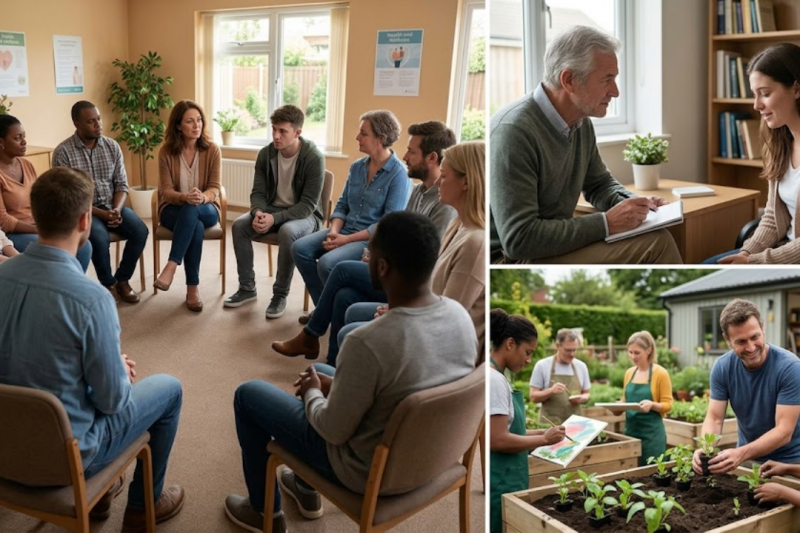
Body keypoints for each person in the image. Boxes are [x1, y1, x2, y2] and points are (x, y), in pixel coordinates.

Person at [223, 211, 477, 533]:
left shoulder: (367, 342)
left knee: (248, 396)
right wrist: (327, 383)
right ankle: (304, 487)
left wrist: (314, 391)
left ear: (382, 266)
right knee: (321, 369)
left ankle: (263, 513)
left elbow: (332, 429)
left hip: (365, 471)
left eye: (370, 252)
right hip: (432, 460)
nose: (366, 257)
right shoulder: (460, 317)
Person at [0, 167, 184, 533]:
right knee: (169, 389)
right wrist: (114, 368)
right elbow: (112, 401)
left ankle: (101, 498)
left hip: (5, 450)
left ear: (35, 215)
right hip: (68, 457)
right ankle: (142, 505)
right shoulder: (92, 298)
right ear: (86, 220)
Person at [489, 25, 682, 264]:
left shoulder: (579, 121)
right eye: (607, 79)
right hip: (510, 261)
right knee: (657, 243)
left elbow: (599, 184)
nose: (615, 92)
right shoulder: (513, 132)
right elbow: (519, 239)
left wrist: (637, 204)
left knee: (657, 233)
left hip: (549, 247)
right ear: (569, 80)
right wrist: (607, 223)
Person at [271, 121, 458, 364]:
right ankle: (334, 363)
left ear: (432, 157)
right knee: (343, 295)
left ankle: (310, 335)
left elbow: (423, 257)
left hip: (406, 281)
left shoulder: (442, 202)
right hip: (383, 258)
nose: (405, 156)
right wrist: (375, 249)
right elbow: (399, 231)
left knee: (337, 268)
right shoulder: (419, 190)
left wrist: (379, 253)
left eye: (411, 151)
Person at [334, 141, 486, 361]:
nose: (438, 183)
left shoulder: (475, 244)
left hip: (437, 344)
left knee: (349, 333)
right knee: (348, 303)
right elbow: (434, 290)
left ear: (466, 183)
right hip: (422, 312)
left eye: (444, 176)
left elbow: (446, 320)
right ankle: (336, 373)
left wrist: (403, 312)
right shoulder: (459, 225)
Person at [291, 109, 411, 310]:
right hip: (343, 230)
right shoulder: (357, 166)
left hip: (369, 239)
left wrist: (345, 240)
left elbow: (387, 224)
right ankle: (325, 309)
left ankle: (328, 311)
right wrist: (334, 231)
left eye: (364, 133)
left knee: (327, 263)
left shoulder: (399, 174)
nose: (357, 137)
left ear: (380, 138)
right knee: (300, 248)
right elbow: (342, 204)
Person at [224, 105, 325, 319]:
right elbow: (258, 192)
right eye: (274, 130)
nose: (276, 136)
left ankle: (280, 295)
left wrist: (274, 218)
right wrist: (259, 211)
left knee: (287, 232)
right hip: (271, 209)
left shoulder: (314, 158)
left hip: (305, 216)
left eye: (283, 131)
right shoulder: (266, 154)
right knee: (240, 225)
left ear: (297, 132)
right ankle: (247, 288)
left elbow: (307, 205)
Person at [705, 44, 800, 264]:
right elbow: (772, 219)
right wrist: (746, 252)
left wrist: (754, 262)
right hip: (781, 251)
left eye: (765, 94)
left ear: (796, 89)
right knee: (706, 266)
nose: (756, 105)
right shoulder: (779, 144)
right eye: (754, 95)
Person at [52, 100, 148, 304]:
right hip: (84, 211)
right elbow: (70, 197)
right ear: (77, 124)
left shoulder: (112, 146)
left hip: (113, 206)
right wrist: (103, 215)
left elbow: (121, 184)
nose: (98, 125)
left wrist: (116, 210)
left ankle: (122, 280)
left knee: (141, 231)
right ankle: (107, 284)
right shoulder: (63, 152)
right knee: (99, 238)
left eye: (99, 119)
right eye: (91, 121)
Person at [692, 299, 800, 475]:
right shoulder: (723, 367)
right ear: (727, 339)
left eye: (755, 337)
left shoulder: (789, 368)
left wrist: (740, 453)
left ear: (763, 328)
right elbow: (714, 417)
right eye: (741, 341)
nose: (751, 347)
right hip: (747, 460)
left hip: (790, 463)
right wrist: (705, 448)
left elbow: (784, 431)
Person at [489, 309, 565, 533]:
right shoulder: (494, 380)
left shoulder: (499, 375)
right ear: (510, 344)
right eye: (527, 352)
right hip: (501, 481)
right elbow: (498, 439)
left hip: (508, 477)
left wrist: (541, 433)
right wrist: (543, 439)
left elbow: (510, 428)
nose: (529, 360)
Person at [153, 100, 221, 312]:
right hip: (174, 209)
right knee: (195, 226)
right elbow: (165, 191)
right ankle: (193, 287)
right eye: (190, 121)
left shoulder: (212, 150)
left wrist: (202, 198)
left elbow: (215, 188)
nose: (196, 125)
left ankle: (171, 265)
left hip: (207, 208)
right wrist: (185, 197)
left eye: (199, 120)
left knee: (194, 212)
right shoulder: (166, 152)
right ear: (178, 126)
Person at [0, 114, 92, 271]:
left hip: (40, 225)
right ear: (1, 142)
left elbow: (41, 200)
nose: (24, 142)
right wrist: (40, 229)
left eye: (24, 136)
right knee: (55, 250)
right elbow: (4, 221)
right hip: (14, 234)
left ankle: (71, 284)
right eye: (17, 138)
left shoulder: (27, 165)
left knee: (84, 245)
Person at [618, 331, 673, 465]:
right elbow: (624, 400)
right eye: (630, 352)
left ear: (649, 350)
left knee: (653, 472)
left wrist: (652, 405)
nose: (633, 356)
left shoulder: (660, 373)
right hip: (630, 433)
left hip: (652, 435)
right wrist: (617, 407)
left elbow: (668, 405)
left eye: (637, 353)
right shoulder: (629, 373)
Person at [529, 328, 591, 424]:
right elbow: (533, 397)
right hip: (550, 425)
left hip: (575, 424)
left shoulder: (581, 366)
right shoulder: (542, 365)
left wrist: (583, 398)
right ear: (558, 345)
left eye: (574, 350)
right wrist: (551, 391)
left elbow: (586, 393)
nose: (572, 354)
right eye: (568, 350)